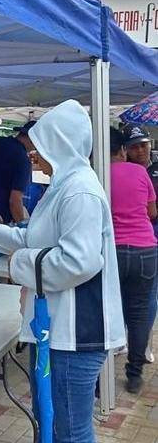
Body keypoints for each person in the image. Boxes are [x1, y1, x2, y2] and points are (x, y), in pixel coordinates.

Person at [0, 100, 125, 442]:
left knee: (69, 430)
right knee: (51, 422)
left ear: (61, 145)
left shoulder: (79, 191)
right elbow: (31, 236)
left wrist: (17, 264)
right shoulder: (64, 186)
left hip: (75, 334)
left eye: (40, 147)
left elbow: (78, 262)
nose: (33, 155)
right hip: (56, 328)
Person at [110, 126, 157, 392]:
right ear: (123, 150)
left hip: (114, 250)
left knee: (108, 309)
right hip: (145, 250)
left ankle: (100, 376)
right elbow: (151, 212)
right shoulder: (140, 172)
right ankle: (135, 374)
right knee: (139, 315)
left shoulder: (99, 175)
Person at [124, 124, 158, 364]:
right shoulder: (120, 172)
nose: (141, 151)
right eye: (135, 147)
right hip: (135, 241)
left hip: (151, 239)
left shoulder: (155, 170)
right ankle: (130, 340)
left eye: (143, 145)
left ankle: (142, 343)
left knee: (150, 297)